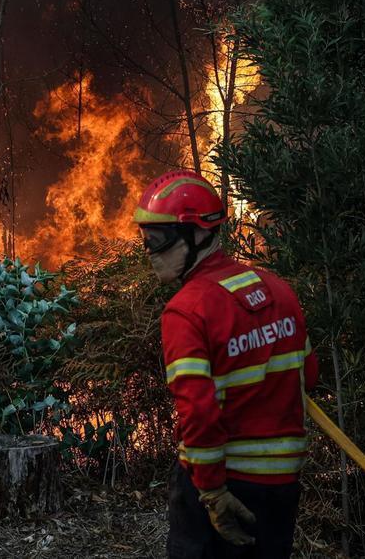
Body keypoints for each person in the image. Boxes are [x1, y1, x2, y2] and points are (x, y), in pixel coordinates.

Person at [133, 170, 317, 559]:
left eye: (158, 239)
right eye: (145, 239)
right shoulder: (278, 289)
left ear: (199, 235)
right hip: (282, 488)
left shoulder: (186, 311)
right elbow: (309, 375)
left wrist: (213, 492)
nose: (150, 252)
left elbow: (198, 414)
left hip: (222, 487)